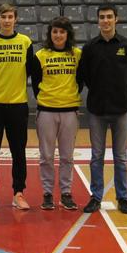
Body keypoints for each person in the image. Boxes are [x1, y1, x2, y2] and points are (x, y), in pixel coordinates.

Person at [79, 4, 127, 214]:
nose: (105, 20)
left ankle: (123, 198)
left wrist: (118, 92)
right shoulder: (90, 47)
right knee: (97, 156)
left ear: (116, 19)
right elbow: (85, 75)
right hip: (97, 109)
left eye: (109, 17)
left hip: (121, 108)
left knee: (120, 157)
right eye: (102, 17)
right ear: (98, 21)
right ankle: (96, 197)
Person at [0, 3, 34, 211]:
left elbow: (29, 70)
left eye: (10, 17)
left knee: (18, 151)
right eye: (3, 17)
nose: (7, 20)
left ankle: (18, 193)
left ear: (15, 19)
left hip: (17, 104)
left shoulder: (25, 42)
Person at [31, 17, 83, 210]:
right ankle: (47, 193)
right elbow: (36, 84)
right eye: (55, 31)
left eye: (62, 32)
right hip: (46, 111)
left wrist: (68, 97)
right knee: (46, 156)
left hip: (70, 111)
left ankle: (66, 193)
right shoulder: (40, 55)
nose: (58, 35)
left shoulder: (77, 54)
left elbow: (80, 81)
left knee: (67, 156)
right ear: (50, 34)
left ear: (68, 34)